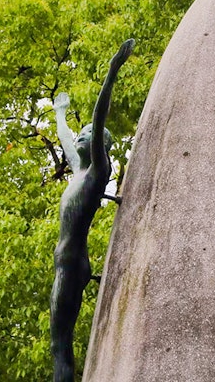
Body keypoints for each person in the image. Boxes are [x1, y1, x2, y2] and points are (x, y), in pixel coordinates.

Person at [50, 38, 134, 382]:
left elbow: (99, 117)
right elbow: (66, 140)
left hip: (71, 264)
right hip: (66, 263)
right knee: (58, 344)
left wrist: (113, 69)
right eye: (82, 133)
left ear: (101, 146)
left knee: (60, 347)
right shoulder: (78, 171)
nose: (83, 135)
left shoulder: (97, 171)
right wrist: (59, 112)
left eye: (90, 135)